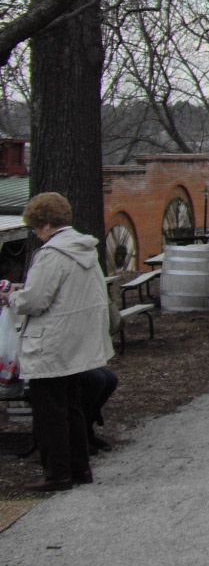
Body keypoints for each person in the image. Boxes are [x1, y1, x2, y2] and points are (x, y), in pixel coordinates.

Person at [5, 193, 115, 491]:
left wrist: (12, 297)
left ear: (46, 224)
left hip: (51, 344)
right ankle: (79, 468)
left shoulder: (52, 254)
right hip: (76, 342)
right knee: (72, 407)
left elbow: (35, 301)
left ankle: (57, 474)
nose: (36, 234)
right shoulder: (83, 249)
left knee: (49, 413)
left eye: (36, 228)